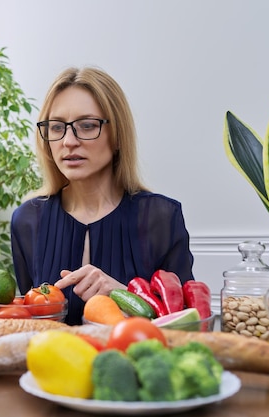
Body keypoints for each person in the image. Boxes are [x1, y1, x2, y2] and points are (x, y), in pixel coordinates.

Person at [11, 67, 195, 325]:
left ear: (118, 135)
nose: (68, 141)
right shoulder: (27, 220)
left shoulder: (161, 219)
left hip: (135, 363)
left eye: (87, 125)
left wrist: (122, 295)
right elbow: (32, 320)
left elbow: (185, 327)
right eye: (56, 127)